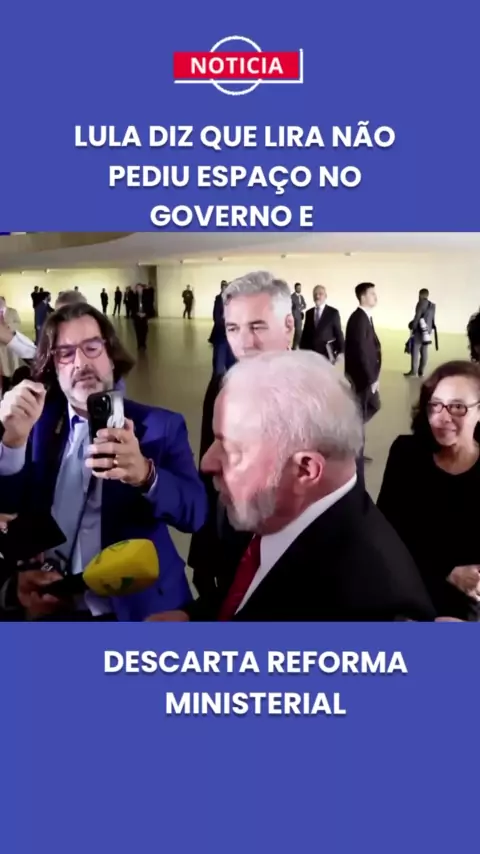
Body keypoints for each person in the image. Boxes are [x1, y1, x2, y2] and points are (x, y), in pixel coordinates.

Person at [151, 351, 435, 622]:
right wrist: (194, 619)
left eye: (232, 449)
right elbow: (252, 588)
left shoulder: (371, 611)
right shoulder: (274, 507)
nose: (207, 462)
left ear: (305, 470)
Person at [0, 302, 207, 621]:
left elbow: (195, 514)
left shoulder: (159, 426)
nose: (80, 362)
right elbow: (9, 511)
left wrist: (146, 475)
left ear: (111, 356)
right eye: (65, 353)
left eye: (92, 347)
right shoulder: (37, 423)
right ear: (53, 366)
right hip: (52, 602)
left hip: (137, 611)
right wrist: (12, 443)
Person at [377, 360, 480, 621]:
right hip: (409, 591)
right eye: (435, 405)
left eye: (458, 407)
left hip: (469, 606)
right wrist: (448, 571)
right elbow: (387, 534)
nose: (441, 417)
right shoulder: (406, 454)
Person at [345, 282, 381, 424]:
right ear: (363, 297)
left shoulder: (364, 317)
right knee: (361, 411)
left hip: (367, 376)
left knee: (373, 405)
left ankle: (354, 429)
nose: (375, 297)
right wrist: (371, 379)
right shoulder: (359, 319)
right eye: (372, 294)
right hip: (362, 378)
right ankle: (353, 432)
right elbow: (361, 352)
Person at [300, 285, 344, 362]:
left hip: (326, 356)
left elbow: (338, 334)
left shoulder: (333, 313)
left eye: (320, 294)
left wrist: (341, 354)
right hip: (311, 356)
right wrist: (301, 352)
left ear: (325, 296)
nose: (317, 296)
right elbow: (305, 334)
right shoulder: (309, 313)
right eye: (315, 294)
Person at [404, 288, 437, 377]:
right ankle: (421, 371)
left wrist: (413, 327)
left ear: (420, 295)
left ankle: (413, 371)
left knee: (415, 350)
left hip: (419, 331)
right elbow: (432, 319)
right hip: (427, 331)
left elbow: (417, 317)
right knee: (424, 351)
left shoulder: (420, 303)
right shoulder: (432, 306)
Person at [210, 281, 235, 376]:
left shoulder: (231, 300)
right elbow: (216, 318)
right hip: (221, 336)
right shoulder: (218, 299)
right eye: (224, 287)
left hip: (230, 337)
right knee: (218, 368)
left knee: (231, 364)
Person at [132, 284, 148, 349]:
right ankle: (139, 344)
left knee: (144, 331)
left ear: (142, 288)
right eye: (137, 288)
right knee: (138, 331)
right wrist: (137, 313)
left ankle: (143, 343)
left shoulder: (146, 296)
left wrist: (145, 313)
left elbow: (149, 305)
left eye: (140, 288)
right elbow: (132, 306)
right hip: (137, 316)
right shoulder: (134, 296)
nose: (139, 289)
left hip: (144, 316)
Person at [291, 282, 306, 349]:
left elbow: (304, 305)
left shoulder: (301, 297)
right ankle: (295, 347)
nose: (299, 289)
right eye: (298, 288)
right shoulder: (292, 297)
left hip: (300, 316)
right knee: (298, 332)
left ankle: (295, 347)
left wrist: (301, 308)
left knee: (298, 332)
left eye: (300, 288)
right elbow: (291, 306)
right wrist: (296, 308)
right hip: (294, 316)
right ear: (295, 288)